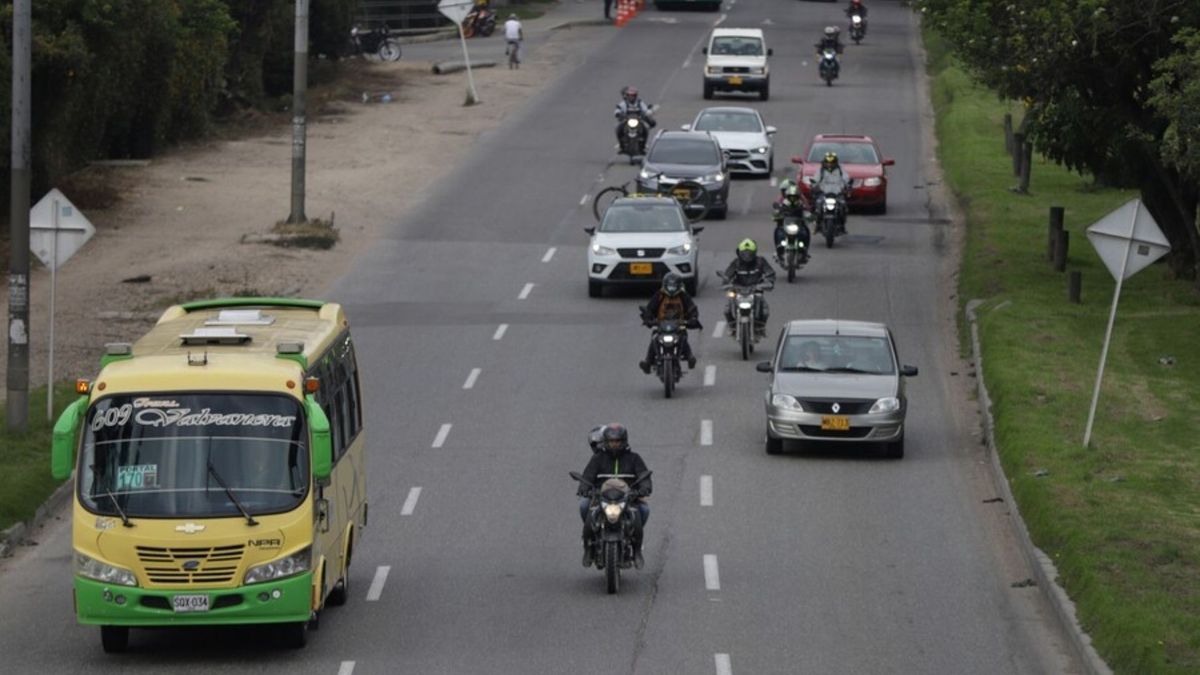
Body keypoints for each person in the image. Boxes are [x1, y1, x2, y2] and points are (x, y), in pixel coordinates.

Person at [578, 423, 652, 568]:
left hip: (628, 499)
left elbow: (644, 477)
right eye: (611, 441)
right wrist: (584, 488)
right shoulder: (598, 458)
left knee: (643, 510)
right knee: (584, 505)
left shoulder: (634, 458)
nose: (614, 444)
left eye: (617, 441)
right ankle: (588, 548)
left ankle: (637, 550)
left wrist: (644, 489)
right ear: (606, 442)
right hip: (602, 498)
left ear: (624, 441)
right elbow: (587, 476)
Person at [639, 273, 701, 374]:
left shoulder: (683, 296)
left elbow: (691, 308)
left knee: (683, 336)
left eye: (674, 286)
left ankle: (690, 357)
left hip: (678, 325)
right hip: (662, 325)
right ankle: (648, 362)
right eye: (669, 286)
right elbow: (650, 308)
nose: (671, 289)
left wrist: (693, 318)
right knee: (654, 337)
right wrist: (648, 318)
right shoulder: (659, 295)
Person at [721, 239, 776, 336]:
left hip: (755, 289)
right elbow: (727, 275)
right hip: (738, 289)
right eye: (744, 253)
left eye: (749, 253)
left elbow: (770, 273)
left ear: (754, 253)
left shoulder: (760, 261)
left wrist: (767, 282)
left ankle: (761, 327)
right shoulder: (736, 263)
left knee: (765, 310)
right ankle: (732, 326)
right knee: (727, 309)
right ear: (739, 253)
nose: (747, 256)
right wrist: (726, 282)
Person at [772, 181, 812, 263]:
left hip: (798, 225)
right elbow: (776, 211)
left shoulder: (801, 203)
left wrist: (809, 215)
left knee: (806, 232)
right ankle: (778, 250)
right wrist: (776, 215)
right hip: (785, 225)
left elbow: (808, 209)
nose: (792, 198)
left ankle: (805, 251)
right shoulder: (783, 203)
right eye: (791, 197)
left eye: (794, 197)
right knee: (778, 232)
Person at [814, 151, 851, 233]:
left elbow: (846, 178)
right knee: (818, 205)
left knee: (843, 206)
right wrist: (813, 184)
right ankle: (817, 224)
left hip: (837, 193)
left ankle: (842, 225)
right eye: (828, 162)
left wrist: (848, 184)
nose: (830, 164)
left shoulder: (840, 170)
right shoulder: (821, 170)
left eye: (832, 162)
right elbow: (815, 179)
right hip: (824, 193)